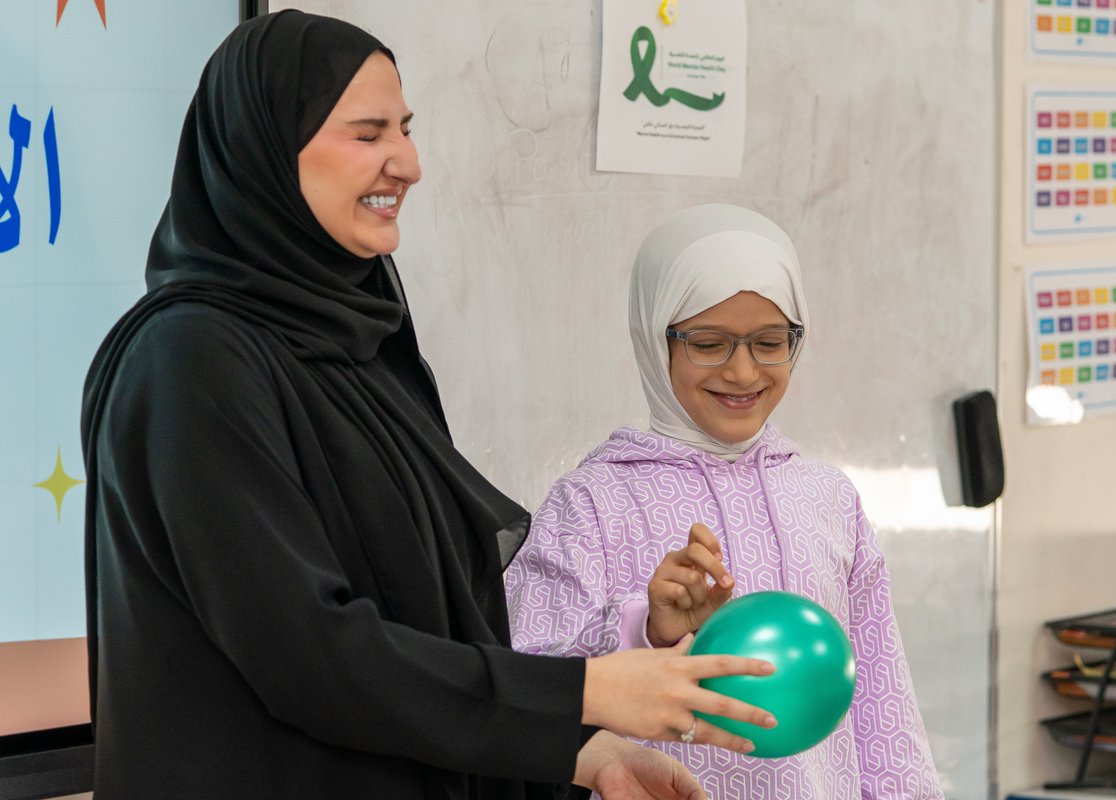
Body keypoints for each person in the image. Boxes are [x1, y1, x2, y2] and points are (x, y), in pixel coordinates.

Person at [80, 13, 779, 800]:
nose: (407, 163)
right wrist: (587, 692)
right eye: (368, 132)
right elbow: (311, 653)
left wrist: (581, 753)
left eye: (406, 129)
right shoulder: (188, 361)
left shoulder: (362, 343)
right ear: (267, 149)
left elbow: (423, 630)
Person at [506, 204, 945, 799]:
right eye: (709, 343)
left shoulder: (827, 497)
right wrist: (644, 628)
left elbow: (880, 701)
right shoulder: (592, 504)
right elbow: (515, 688)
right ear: (654, 337)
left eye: (769, 342)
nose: (743, 373)